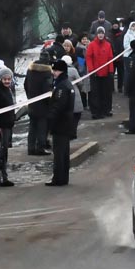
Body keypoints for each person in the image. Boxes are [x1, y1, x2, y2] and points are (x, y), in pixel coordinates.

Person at [47, 58, 76, 186]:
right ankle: (63, 177)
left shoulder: (61, 86)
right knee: (64, 152)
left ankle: (58, 178)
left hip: (61, 124)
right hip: (67, 123)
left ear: (61, 71)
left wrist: (50, 120)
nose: (54, 72)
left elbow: (58, 106)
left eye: (56, 70)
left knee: (59, 153)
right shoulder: (67, 84)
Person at [0, 67, 16, 187]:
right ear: (0, 79)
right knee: (1, 152)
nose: (7, 81)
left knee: (4, 152)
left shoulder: (8, 89)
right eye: (4, 79)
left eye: (8, 79)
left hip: (8, 124)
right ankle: (2, 177)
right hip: (2, 126)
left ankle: (2, 176)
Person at [24, 50, 53, 155]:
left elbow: (25, 84)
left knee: (32, 127)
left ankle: (30, 148)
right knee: (42, 126)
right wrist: (50, 102)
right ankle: (40, 147)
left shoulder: (30, 70)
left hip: (32, 102)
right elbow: (47, 89)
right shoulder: (47, 72)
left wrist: (30, 97)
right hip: (43, 105)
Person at [85, 26, 115, 119]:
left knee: (106, 93)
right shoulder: (92, 45)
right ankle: (96, 112)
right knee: (95, 93)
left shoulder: (108, 45)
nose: (101, 35)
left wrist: (111, 71)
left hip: (105, 73)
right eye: (99, 33)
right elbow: (89, 58)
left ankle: (106, 110)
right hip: (95, 74)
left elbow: (110, 58)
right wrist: (91, 70)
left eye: (102, 33)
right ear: (97, 34)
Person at [110, 20, 126, 93]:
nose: (115, 25)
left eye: (116, 24)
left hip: (120, 55)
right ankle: (112, 88)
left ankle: (120, 87)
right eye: (114, 24)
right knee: (111, 73)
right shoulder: (109, 34)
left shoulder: (122, 33)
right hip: (112, 56)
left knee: (121, 73)